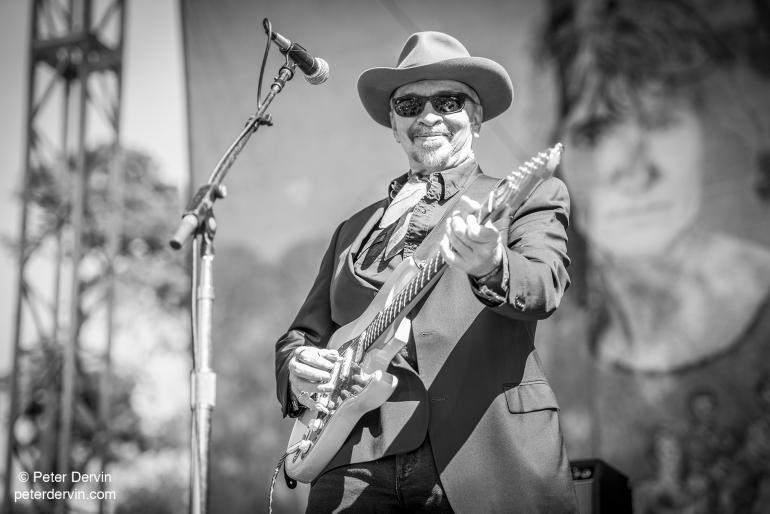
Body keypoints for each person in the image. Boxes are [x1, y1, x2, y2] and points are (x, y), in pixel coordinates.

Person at [275, 31, 577, 513]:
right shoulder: (351, 230)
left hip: (477, 447)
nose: (429, 116)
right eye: (410, 105)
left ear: (475, 118)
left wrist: (493, 265)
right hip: (350, 460)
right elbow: (302, 335)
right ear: (394, 125)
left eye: (449, 101)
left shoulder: (527, 196)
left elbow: (543, 287)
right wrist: (295, 368)